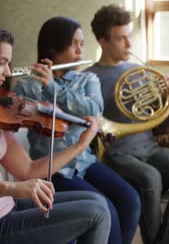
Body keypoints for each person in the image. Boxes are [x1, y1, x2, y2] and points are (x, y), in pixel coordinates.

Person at [13, 17, 141, 244]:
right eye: (75, 44)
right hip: (54, 167)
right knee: (105, 208)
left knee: (130, 199)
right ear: (54, 47)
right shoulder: (27, 84)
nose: (81, 49)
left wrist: (53, 88)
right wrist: (43, 87)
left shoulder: (87, 79)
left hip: (84, 160)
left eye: (82, 43)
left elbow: (93, 109)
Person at [85, 4, 169, 244]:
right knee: (150, 178)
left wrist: (167, 96)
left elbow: (157, 119)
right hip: (116, 154)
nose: (129, 45)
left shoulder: (140, 71)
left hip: (150, 148)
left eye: (130, 37)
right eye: (121, 38)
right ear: (103, 41)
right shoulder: (89, 78)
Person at [0, 28, 111, 244]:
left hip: (8, 205)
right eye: (1, 62)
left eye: (8, 63)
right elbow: (20, 182)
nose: (7, 72)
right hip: (3, 221)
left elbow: (28, 169)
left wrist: (80, 145)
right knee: (96, 213)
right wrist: (13, 188)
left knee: (97, 200)